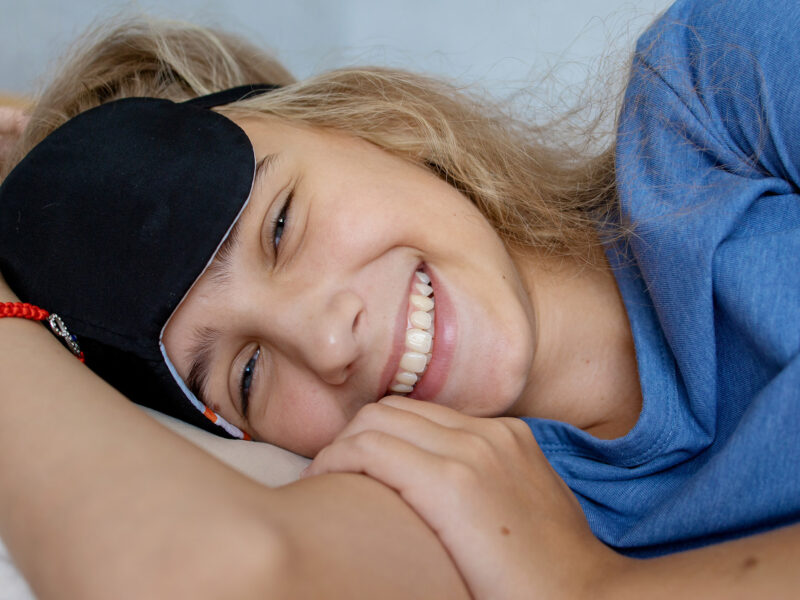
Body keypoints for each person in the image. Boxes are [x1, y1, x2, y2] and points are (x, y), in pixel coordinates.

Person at [1, 0, 799, 597]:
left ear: (375, 124)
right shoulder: (459, 518)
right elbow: (210, 574)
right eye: (246, 374)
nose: (326, 339)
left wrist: (592, 588)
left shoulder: (713, 93)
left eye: (281, 227)